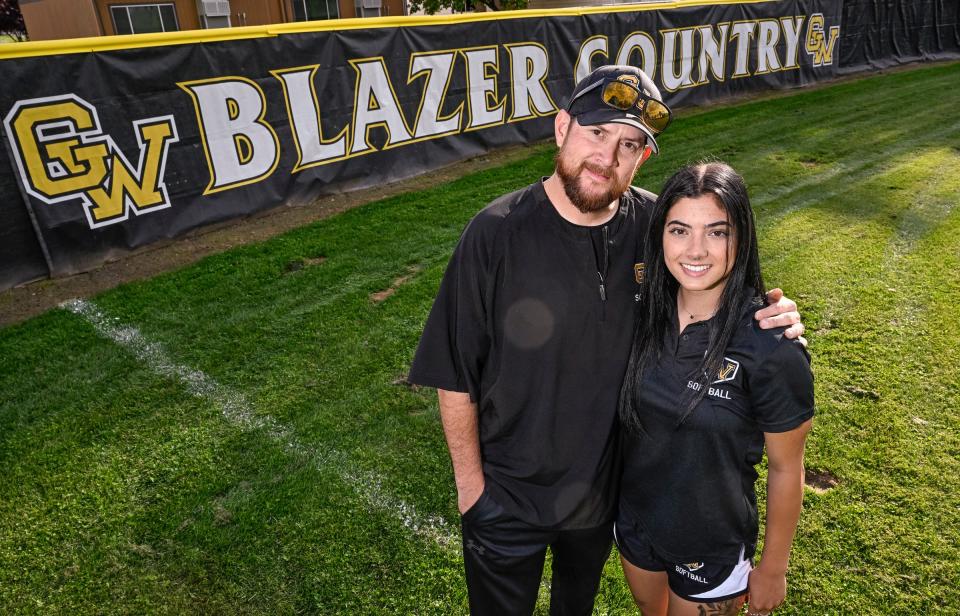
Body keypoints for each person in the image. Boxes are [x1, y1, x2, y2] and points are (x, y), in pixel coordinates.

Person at [408, 65, 804, 615]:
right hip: (506, 497)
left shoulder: (652, 224)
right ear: (562, 127)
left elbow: (711, 272)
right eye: (596, 133)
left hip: (599, 498)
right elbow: (454, 373)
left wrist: (773, 311)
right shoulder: (494, 232)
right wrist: (472, 492)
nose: (607, 157)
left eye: (629, 145)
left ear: (643, 158)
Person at [615, 162, 814, 616]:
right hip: (634, 524)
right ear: (660, 236)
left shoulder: (770, 345)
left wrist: (774, 567)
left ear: (741, 238)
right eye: (680, 230)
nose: (696, 250)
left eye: (717, 232)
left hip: (711, 545)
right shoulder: (641, 314)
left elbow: (787, 468)